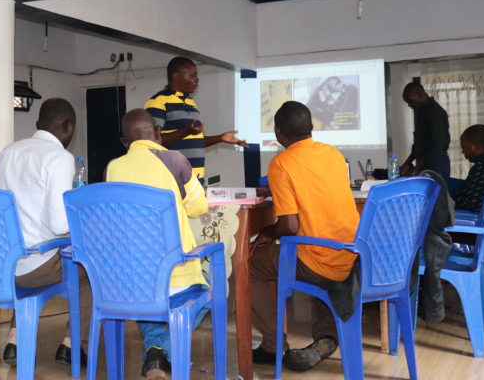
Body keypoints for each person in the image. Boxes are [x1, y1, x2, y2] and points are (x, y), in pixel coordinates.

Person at [250, 101, 360, 372]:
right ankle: (325, 338)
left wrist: (265, 232)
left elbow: (288, 226)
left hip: (317, 260)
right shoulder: (332, 154)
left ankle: (272, 345)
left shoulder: (282, 162)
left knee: (249, 264)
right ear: (311, 127)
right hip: (350, 255)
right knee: (311, 251)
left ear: (278, 133)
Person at [104, 108, 208, 380]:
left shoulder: (113, 168)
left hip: (129, 281)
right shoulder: (175, 160)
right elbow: (198, 208)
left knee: (147, 291)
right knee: (212, 288)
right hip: (177, 276)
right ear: (159, 134)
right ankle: (164, 351)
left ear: (125, 143)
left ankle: (154, 352)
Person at [0, 98, 91, 368]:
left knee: (28, 251)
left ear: (38, 124)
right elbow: (59, 225)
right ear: (69, 126)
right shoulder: (59, 157)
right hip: (39, 267)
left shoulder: (8, 152)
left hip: (6, 264)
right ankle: (73, 345)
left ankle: (15, 339)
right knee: (92, 270)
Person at [144, 57, 247, 182]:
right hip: (173, 179)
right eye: (192, 76)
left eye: (196, 76)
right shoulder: (158, 101)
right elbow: (152, 141)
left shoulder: (191, 103)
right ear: (176, 77)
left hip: (195, 178)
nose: (197, 80)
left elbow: (194, 140)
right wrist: (185, 131)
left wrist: (220, 138)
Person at [400, 82, 451, 176]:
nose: (409, 105)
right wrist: (407, 163)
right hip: (425, 163)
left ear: (420, 94)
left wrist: (417, 169)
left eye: (411, 101)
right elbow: (419, 145)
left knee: (435, 191)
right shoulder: (422, 111)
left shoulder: (434, 112)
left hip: (436, 163)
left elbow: (437, 146)